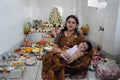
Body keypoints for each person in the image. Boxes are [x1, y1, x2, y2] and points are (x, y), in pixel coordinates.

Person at [42, 15, 93, 80]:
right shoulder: (61, 33)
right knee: (49, 57)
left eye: (73, 22)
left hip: (74, 57)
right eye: (69, 22)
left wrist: (77, 55)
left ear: (76, 25)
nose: (70, 24)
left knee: (87, 59)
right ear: (66, 23)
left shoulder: (79, 35)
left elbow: (88, 49)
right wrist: (61, 51)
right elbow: (54, 47)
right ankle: (66, 70)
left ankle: (67, 70)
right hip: (61, 55)